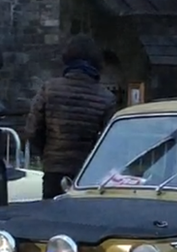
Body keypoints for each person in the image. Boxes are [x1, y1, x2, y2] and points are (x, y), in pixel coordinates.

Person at [25, 34, 116, 199]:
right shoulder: (106, 98)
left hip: (54, 169)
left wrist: (46, 153)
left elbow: (33, 129)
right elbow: (108, 141)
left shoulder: (49, 89)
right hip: (87, 171)